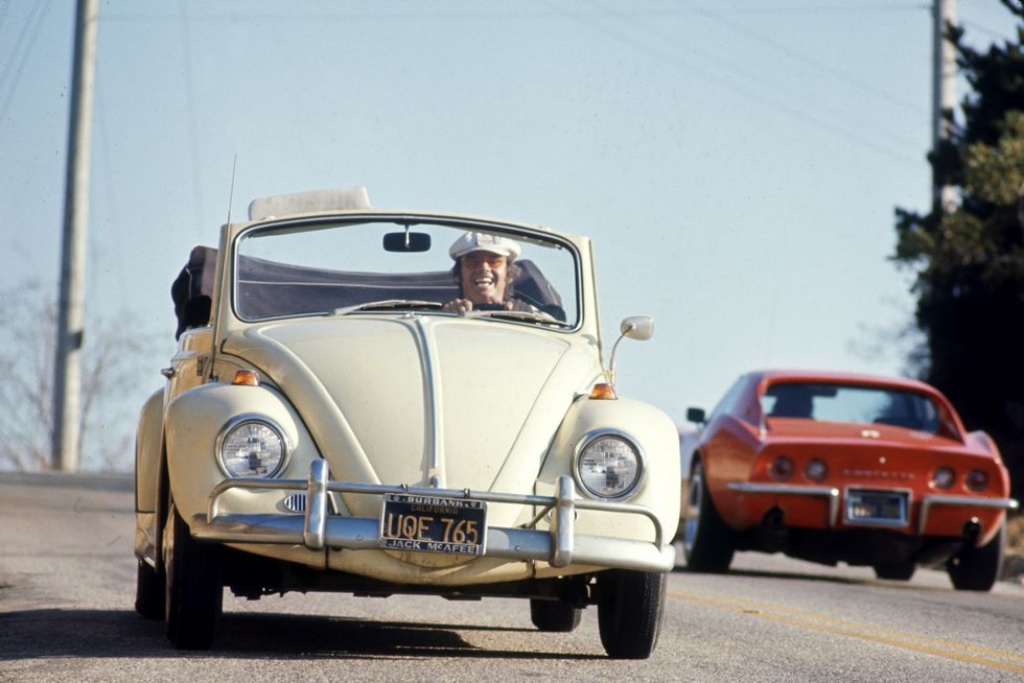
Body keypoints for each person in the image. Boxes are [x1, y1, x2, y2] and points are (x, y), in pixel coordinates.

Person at [442, 232, 536, 314]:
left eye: (494, 262)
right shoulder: (434, 321)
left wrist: (525, 319)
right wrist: (448, 318)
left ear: (508, 274)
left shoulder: (537, 320)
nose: (484, 268)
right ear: (459, 275)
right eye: (472, 262)